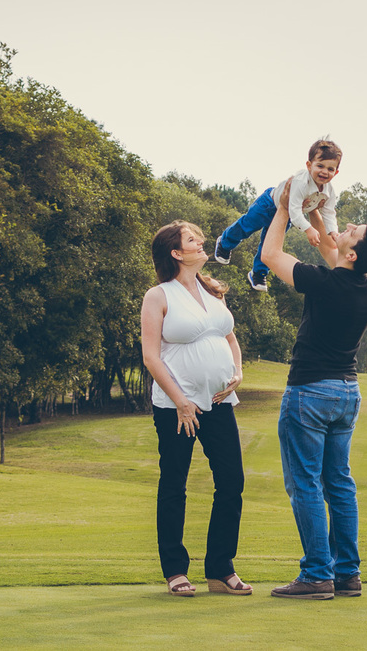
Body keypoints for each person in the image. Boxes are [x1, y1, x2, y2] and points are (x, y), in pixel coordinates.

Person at [261, 177, 367, 600]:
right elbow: (331, 248)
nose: (347, 227)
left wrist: (285, 208)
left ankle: (317, 575)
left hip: (310, 394)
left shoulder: (323, 282)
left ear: (353, 252)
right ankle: (347, 575)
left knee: (305, 484)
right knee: (339, 483)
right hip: (346, 393)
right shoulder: (366, 284)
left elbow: (269, 255)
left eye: (352, 231)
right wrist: (314, 209)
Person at [140, 220, 251, 597]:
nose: (201, 243)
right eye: (192, 239)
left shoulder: (212, 289)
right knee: (174, 484)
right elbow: (151, 357)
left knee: (232, 483)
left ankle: (221, 569)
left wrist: (237, 370)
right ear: (176, 252)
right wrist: (181, 402)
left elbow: (229, 337)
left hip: (219, 403)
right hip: (177, 408)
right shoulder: (158, 296)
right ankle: (175, 570)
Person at [213, 138, 343, 292]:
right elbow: (294, 210)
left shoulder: (329, 191)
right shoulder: (301, 182)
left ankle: (258, 273)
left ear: (336, 172)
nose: (324, 172)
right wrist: (308, 229)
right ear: (309, 166)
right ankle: (225, 242)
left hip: (285, 215)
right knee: (247, 225)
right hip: (269, 204)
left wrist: (332, 231)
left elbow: (328, 212)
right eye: (320, 166)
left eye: (330, 169)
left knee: (271, 241)